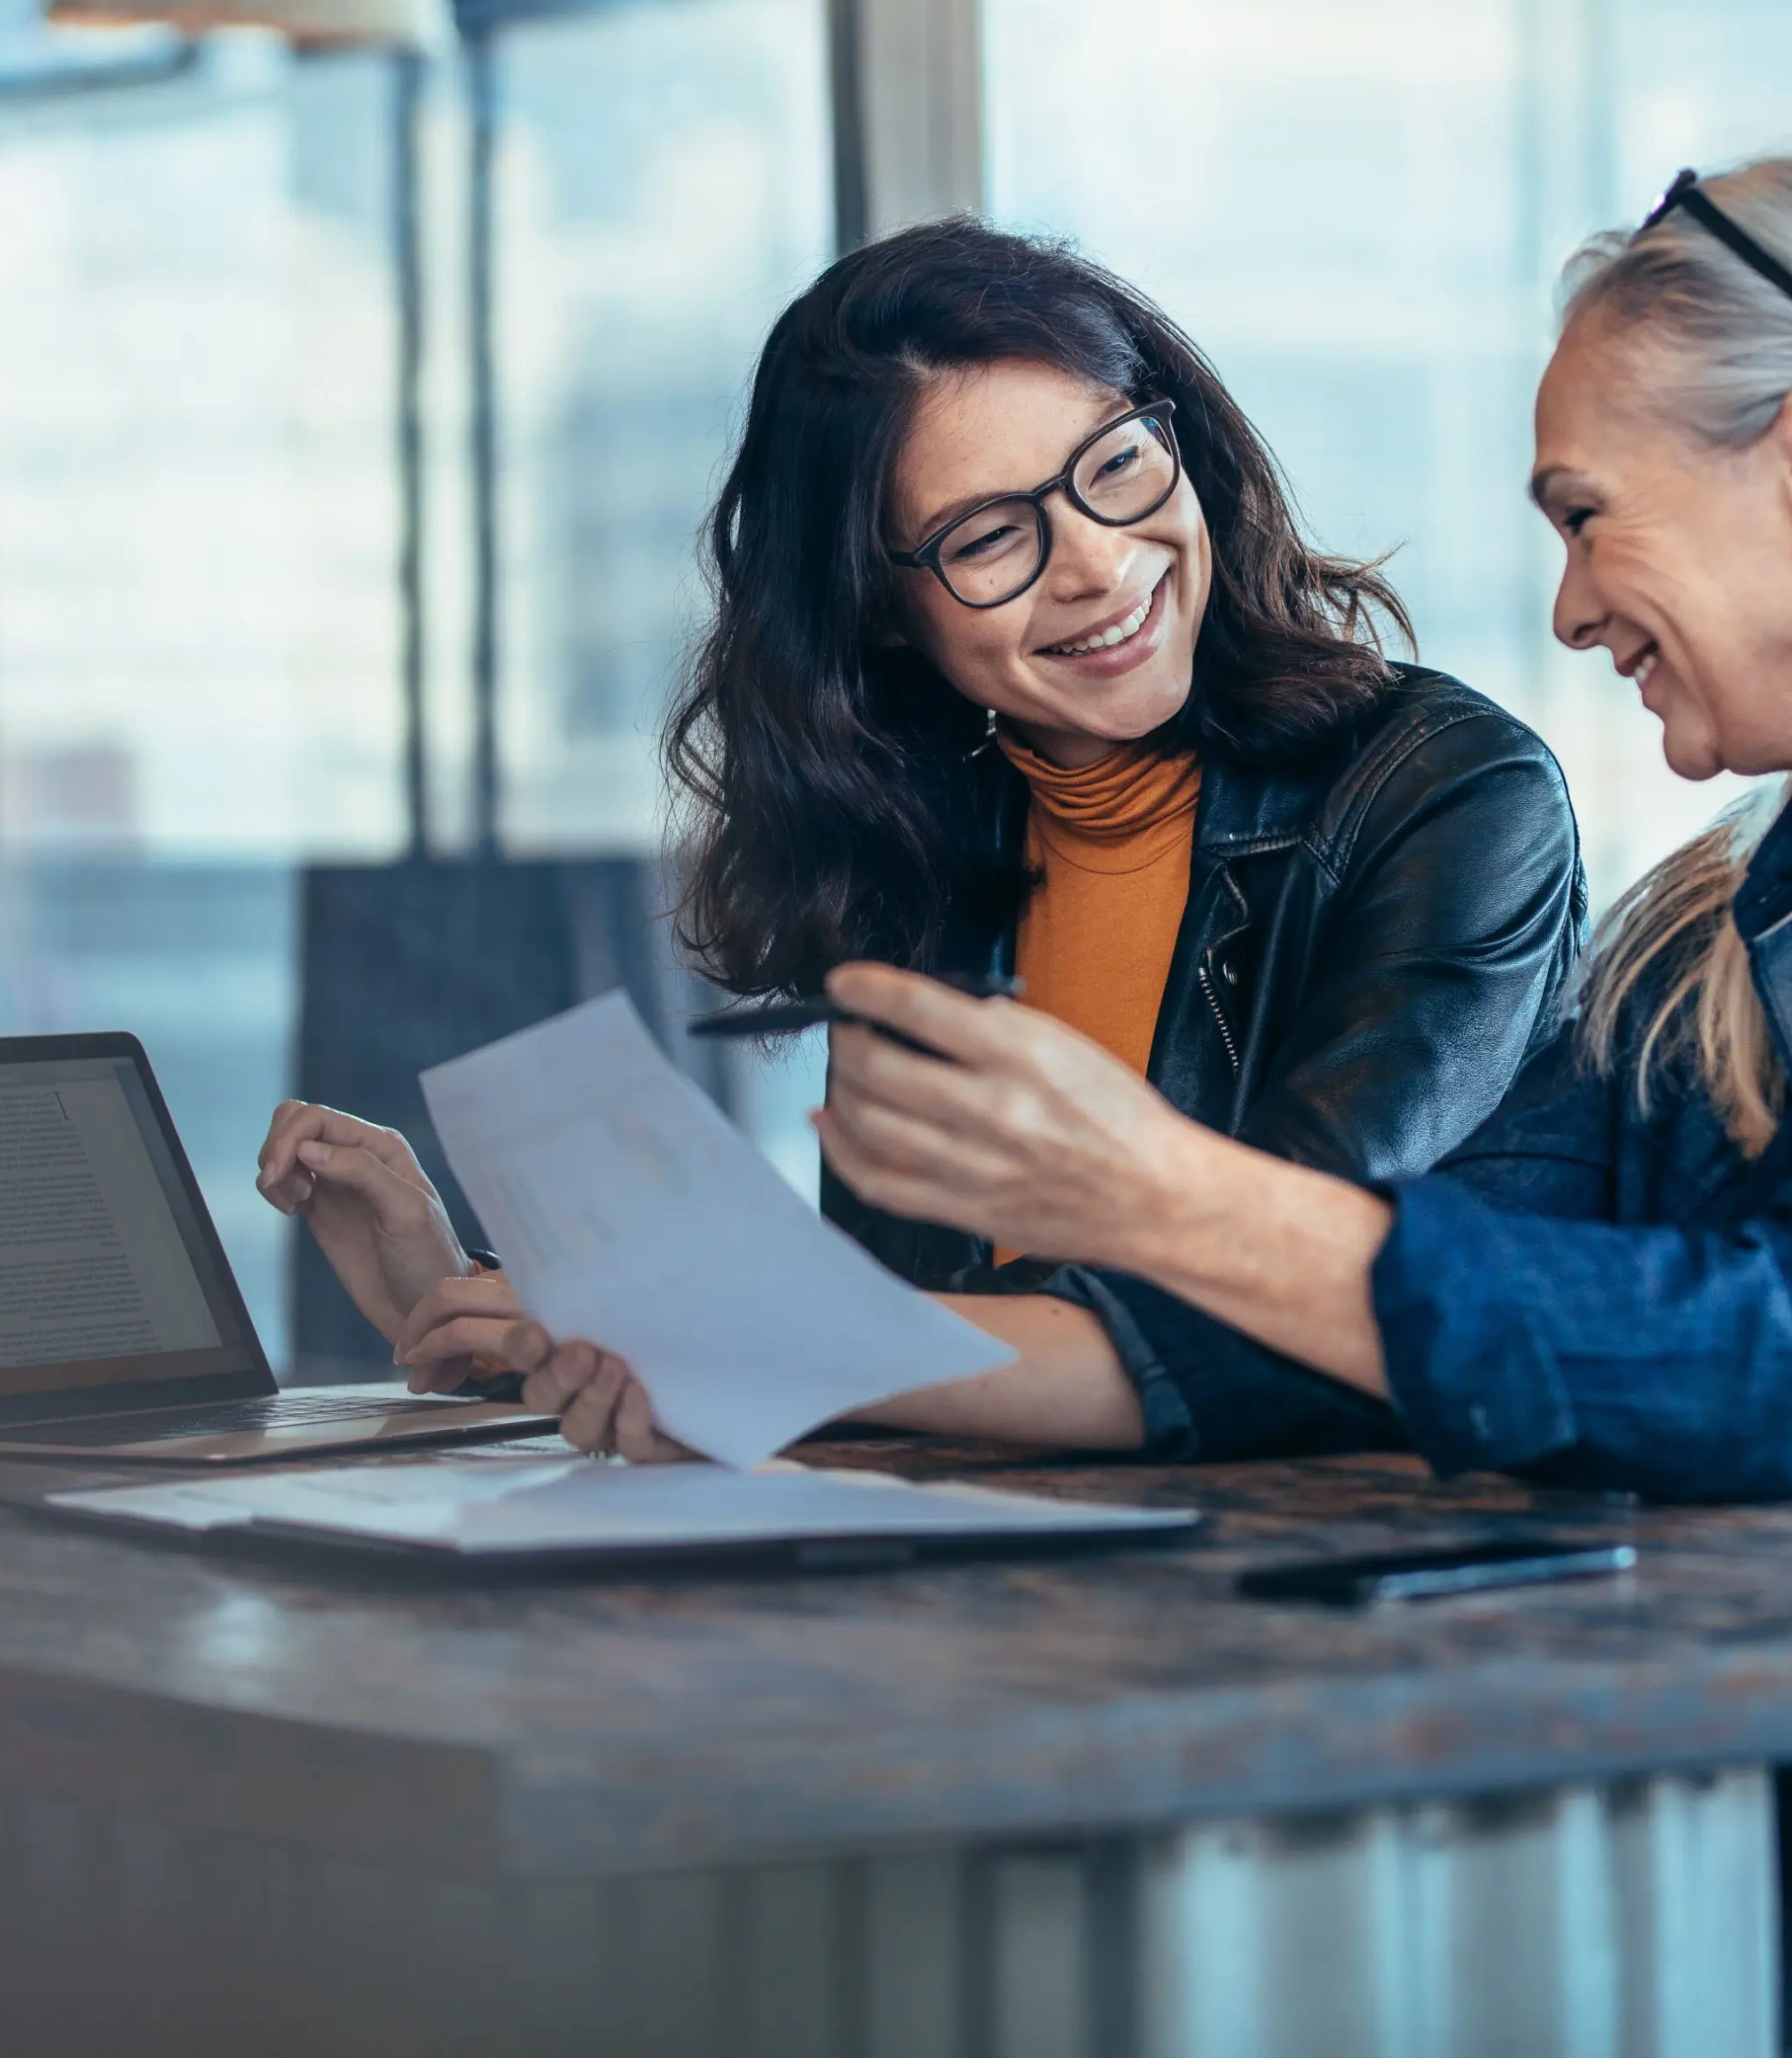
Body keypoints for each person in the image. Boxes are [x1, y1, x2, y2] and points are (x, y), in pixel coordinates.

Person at [417, 144, 1792, 2055]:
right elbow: (1356, 1339)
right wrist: (731, 1355)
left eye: (1584, 516)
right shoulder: (1729, 924)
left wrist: (1143, 1187)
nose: (1568, 606)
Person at [263, 216, 1584, 1376]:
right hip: (1001, 1574)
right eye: (992, 537)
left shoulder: (1450, 796)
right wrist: (499, 1307)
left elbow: (1278, 1292)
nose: (1100, 564)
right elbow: (887, 1347)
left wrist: (713, 1332)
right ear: (883, 614)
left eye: (1116, 463)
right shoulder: (917, 857)